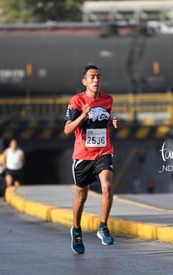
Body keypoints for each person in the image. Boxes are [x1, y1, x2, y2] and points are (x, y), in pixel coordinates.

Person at [64, 64, 119, 254]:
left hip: (103, 151)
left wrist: (112, 122)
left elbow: (103, 119)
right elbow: (67, 130)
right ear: (85, 81)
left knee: (107, 185)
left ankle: (103, 226)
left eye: (98, 77)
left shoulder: (108, 99)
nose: (96, 80)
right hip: (83, 155)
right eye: (92, 77)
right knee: (82, 196)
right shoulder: (77, 101)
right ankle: (76, 230)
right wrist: (83, 115)